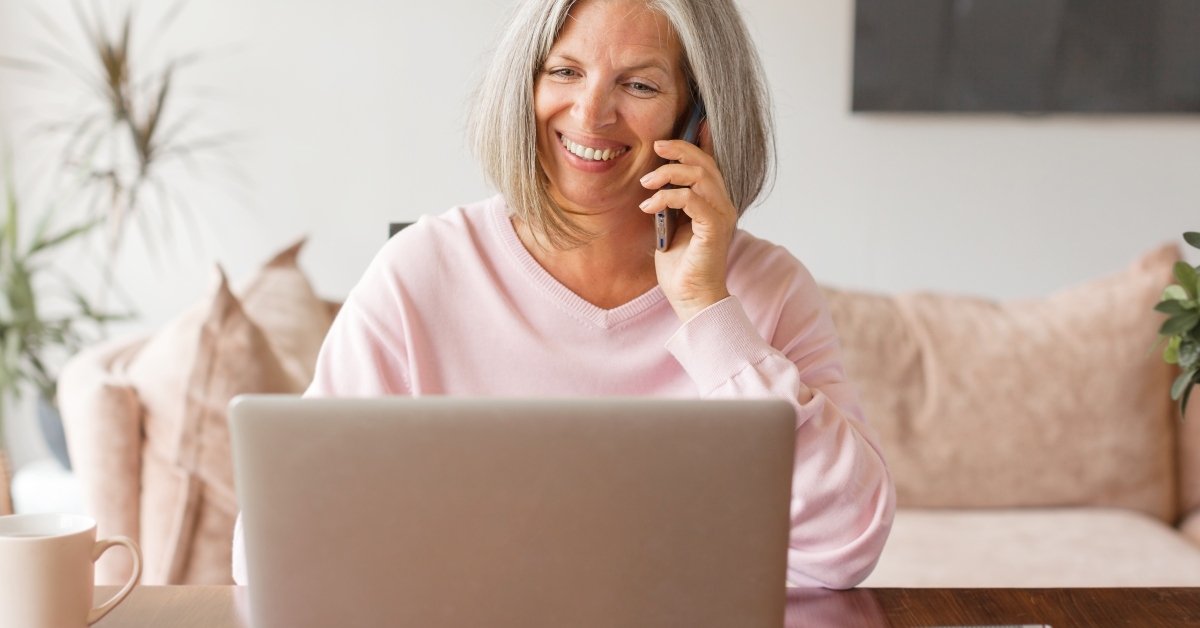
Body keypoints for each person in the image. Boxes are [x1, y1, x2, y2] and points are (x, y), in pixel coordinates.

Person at [233, 0, 894, 589]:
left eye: (639, 84)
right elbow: (277, 548)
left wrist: (708, 310)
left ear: (701, 119)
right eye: (565, 71)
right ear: (526, 84)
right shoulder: (418, 273)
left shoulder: (768, 290)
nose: (591, 113)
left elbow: (848, 544)